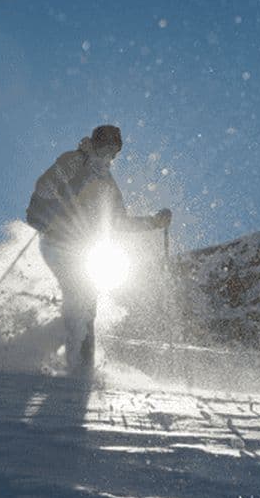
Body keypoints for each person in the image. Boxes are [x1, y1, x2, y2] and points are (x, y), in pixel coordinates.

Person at [27, 125, 171, 371]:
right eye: (105, 148)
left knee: (87, 302)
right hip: (58, 239)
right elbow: (44, 186)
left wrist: (153, 222)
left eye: (114, 152)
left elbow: (118, 222)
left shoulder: (109, 184)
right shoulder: (75, 160)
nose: (109, 156)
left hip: (85, 247)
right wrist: (62, 197)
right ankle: (72, 362)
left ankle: (76, 364)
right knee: (80, 296)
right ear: (95, 144)